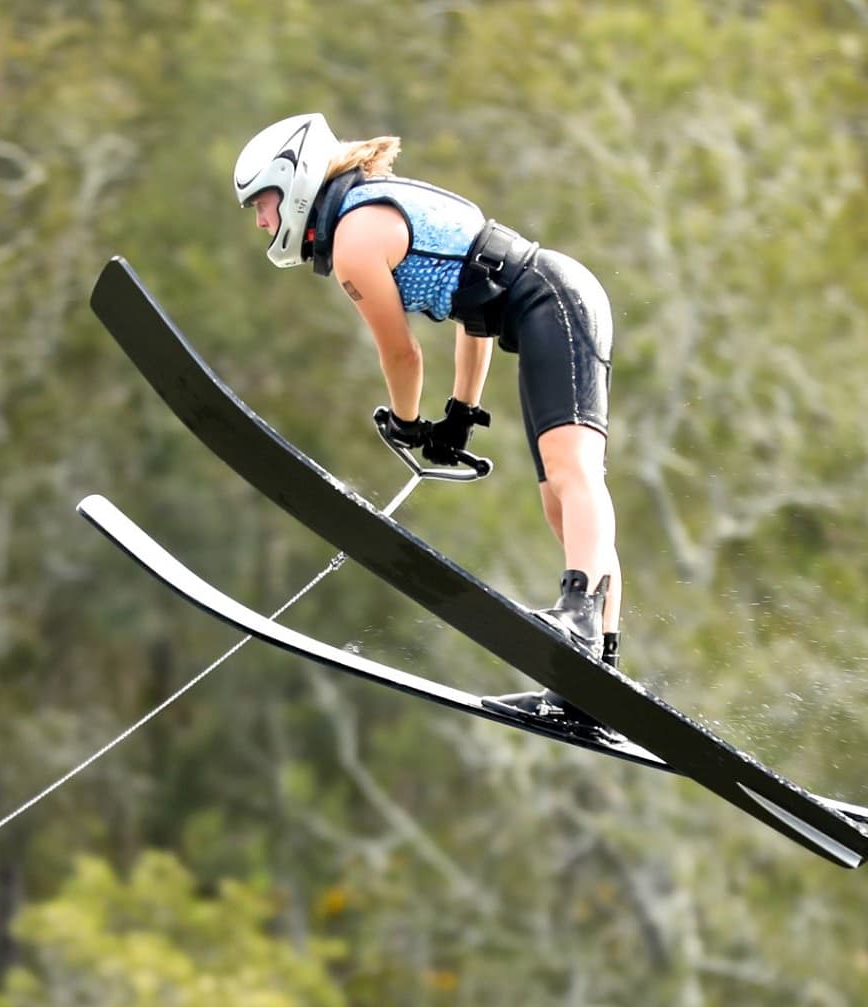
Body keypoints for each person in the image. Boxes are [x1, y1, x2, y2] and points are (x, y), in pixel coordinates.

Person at [232, 112, 622, 731]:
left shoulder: (356, 239)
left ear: (297, 180)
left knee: (573, 473)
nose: (260, 221)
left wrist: (410, 422)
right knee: (559, 498)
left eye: (264, 202)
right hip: (540, 304)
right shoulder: (364, 215)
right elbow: (477, 309)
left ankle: (579, 621)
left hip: (555, 300)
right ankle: (595, 683)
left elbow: (402, 354)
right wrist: (460, 414)